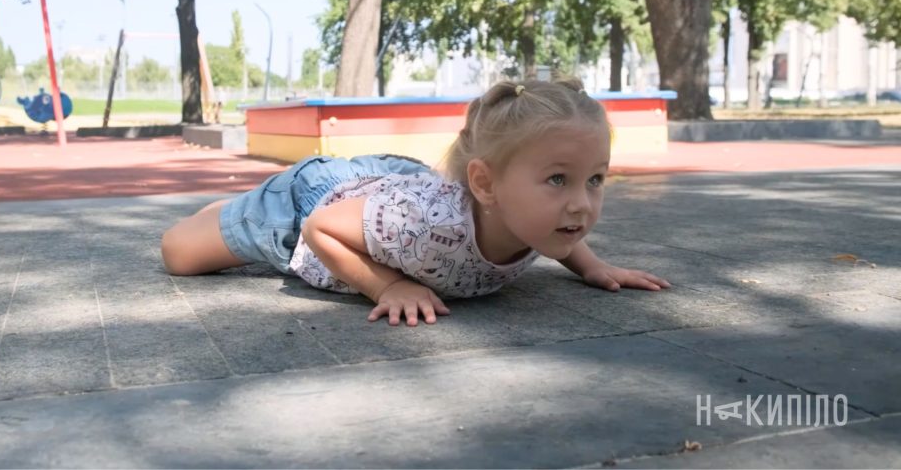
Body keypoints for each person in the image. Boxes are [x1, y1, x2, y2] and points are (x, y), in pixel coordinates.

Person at [161, 78, 671, 327]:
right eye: (558, 179)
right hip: (310, 204)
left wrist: (593, 267)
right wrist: (389, 285)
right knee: (179, 254)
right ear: (486, 185)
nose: (581, 205)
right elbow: (321, 227)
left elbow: (563, 235)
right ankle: (235, 208)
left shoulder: (540, 216)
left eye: (595, 179)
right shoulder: (426, 226)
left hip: (389, 186)